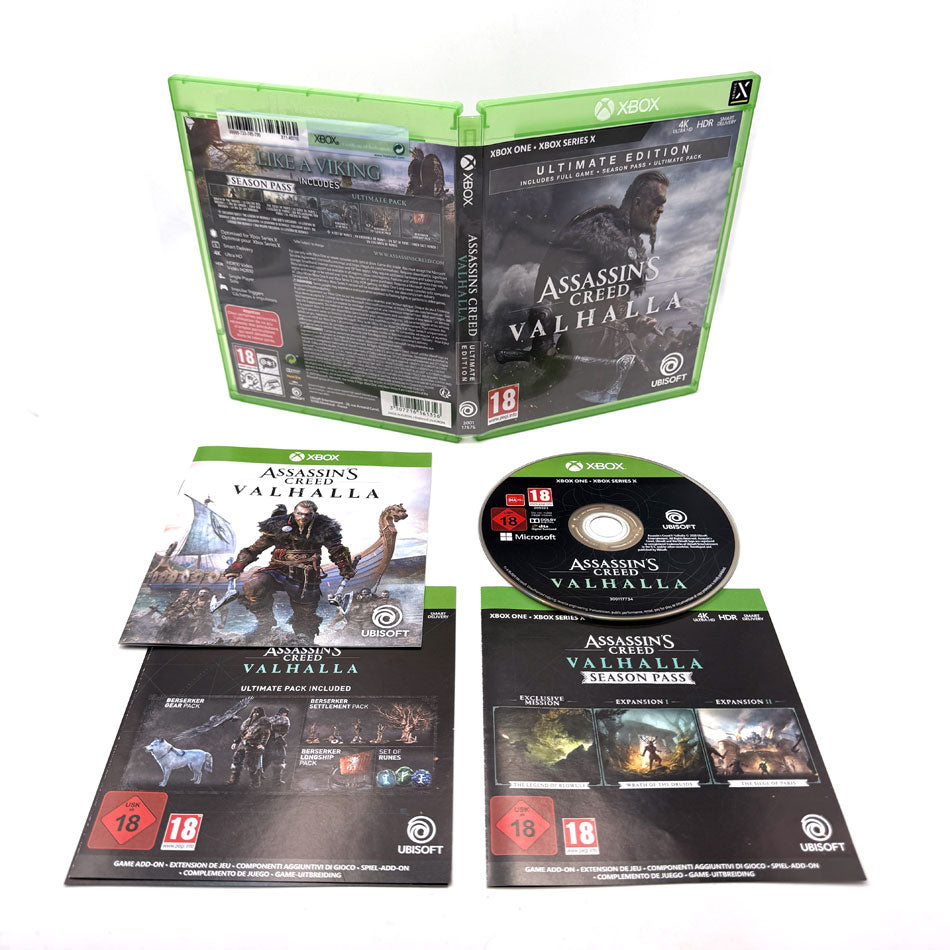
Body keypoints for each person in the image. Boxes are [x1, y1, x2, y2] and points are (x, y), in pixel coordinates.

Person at [224, 501, 355, 640]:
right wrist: (236, 566)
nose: (303, 517)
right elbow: (254, 549)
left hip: (307, 574)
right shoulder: (278, 525)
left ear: (314, 514)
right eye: (299, 514)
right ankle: (265, 624)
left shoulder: (323, 527)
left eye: (307, 515)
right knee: (254, 585)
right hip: (278, 569)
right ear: (294, 512)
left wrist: (345, 567)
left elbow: (337, 549)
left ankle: (304, 639)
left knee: (305, 619)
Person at [264, 707, 291, 784]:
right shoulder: (285, 719)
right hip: (274, 742)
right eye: (286, 713)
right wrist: (282, 740)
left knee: (270, 759)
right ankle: (275, 780)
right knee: (277, 759)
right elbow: (281, 732)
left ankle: (258, 778)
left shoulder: (271, 719)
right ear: (284, 713)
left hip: (270, 742)